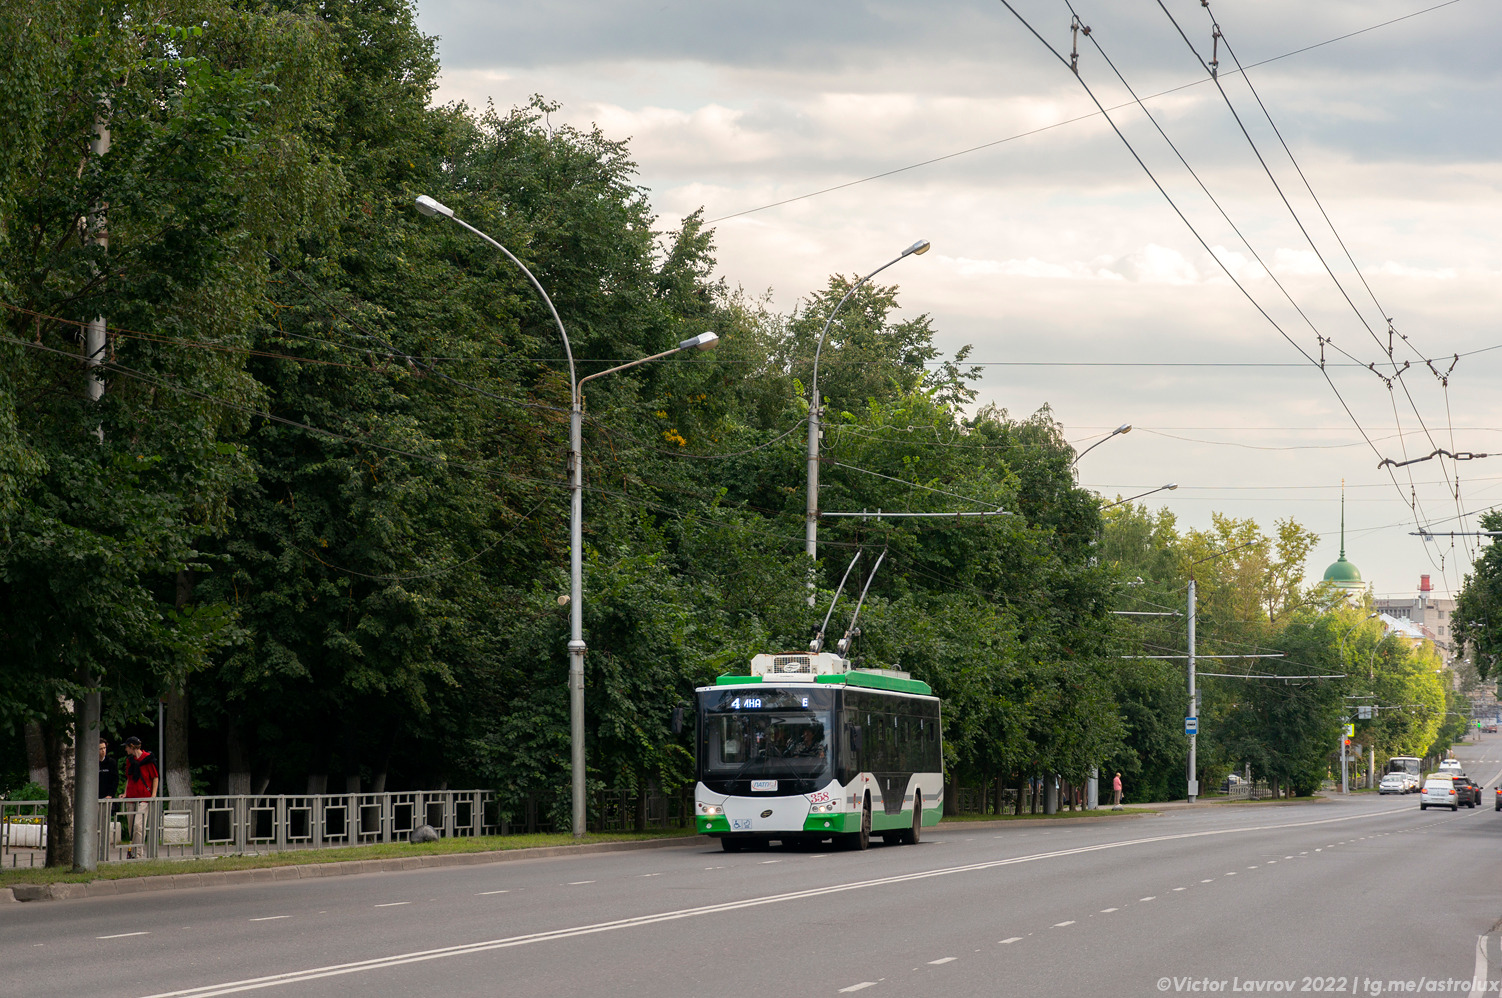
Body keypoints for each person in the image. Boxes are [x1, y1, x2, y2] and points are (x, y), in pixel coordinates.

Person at [123, 736, 159, 859]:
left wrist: (153, 795)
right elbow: (129, 778)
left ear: (132, 747)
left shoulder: (148, 759)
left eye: (127, 747)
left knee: (138, 826)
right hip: (131, 797)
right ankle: (131, 852)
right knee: (131, 826)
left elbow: (155, 777)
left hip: (144, 798)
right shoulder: (130, 761)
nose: (126, 750)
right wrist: (125, 793)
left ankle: (137, 854)